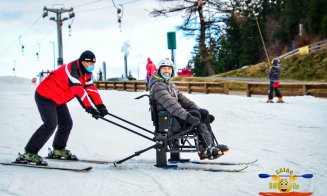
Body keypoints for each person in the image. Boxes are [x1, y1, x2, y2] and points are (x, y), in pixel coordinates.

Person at [19, 50, 109, 165]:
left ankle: (58, 149)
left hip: (58, 99)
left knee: (66, 123)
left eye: (93, 64)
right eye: (90, 64)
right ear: (83, 62)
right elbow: (79, 91)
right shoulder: (72, 71)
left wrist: (101, 106)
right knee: (50, 124)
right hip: (45, 96)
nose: (92, 66)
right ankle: (29, 153)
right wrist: (90, 108)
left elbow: (91, 89)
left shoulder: (86, 73)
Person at [148, 58, 229, 160]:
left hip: (174, 117)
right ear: (159, 70)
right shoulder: (158, 86)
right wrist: (187, 116)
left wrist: (202, 112)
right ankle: (206, 148)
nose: (167, 71)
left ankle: (210, 146)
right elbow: (172, 105)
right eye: (164, 68)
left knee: (202, 113)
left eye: (169, 69)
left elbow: (184, 101)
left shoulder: (169, 84)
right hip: (168, 120)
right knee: (195, 115)